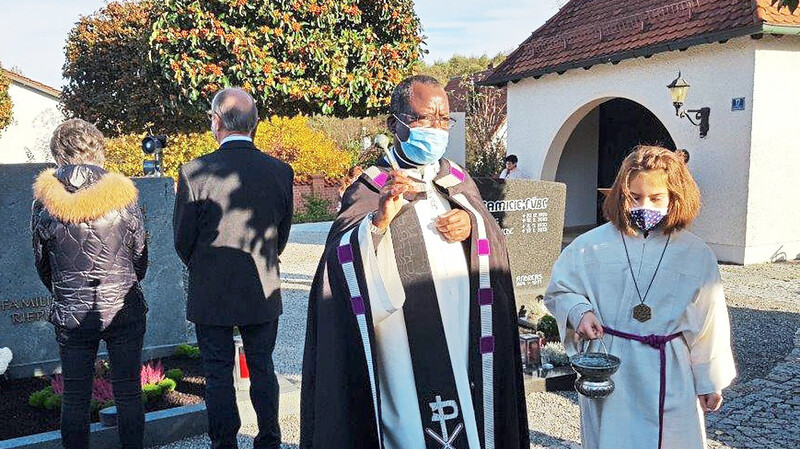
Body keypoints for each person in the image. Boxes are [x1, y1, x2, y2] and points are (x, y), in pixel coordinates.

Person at [300, 75, 529, 449]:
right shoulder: (371, 186)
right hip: (400, 341)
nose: (436, 129)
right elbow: (338, 263)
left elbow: (493, 240)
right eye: (424, 119)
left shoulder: (456, 178)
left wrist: (472, 224)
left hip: (460, 329)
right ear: (396, 124)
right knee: (409, 425)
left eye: (443, 120)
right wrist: (379, 222)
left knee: (468, 415)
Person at [544, 146, 736, 449]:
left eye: (656, 198)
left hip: (671, 369)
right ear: (622, 194)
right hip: (613, 365)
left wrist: (708, 380)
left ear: (675, 196)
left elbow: (709, 323)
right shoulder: (590, 245)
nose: (643, 205)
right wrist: (580, 312)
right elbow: (560, 290)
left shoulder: (696, 254)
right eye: (634, 197)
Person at [173, 88, 294, 449]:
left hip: (211, 287)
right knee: (262, 367)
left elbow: (183, 237)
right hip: (262, 282)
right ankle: (269, 439)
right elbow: (281, 232)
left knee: (217, 372)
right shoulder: (279, 171)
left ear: (217, 121)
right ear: (254, 123)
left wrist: (203, 265)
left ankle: (223, 443)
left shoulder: (194, 172)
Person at [32, 119, 148, 449]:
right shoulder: (124, 196)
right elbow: (139, 254)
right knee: (128, 392)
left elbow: (42, 262)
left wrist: (64, 290)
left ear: (58, 153)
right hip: (123, 307)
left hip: (71, 311)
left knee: (74, 397)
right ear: (98, 149)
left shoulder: (45, 201)